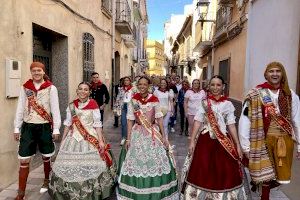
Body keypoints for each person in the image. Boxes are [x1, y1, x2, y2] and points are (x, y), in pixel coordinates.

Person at [239, 62, 300, 200]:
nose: (275, 74)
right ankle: (264, 196)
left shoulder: (290, 95)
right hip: (262, 140)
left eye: (278, 71)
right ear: (266, 74)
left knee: (281, 177)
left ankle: (259, 186)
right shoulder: (256, 94)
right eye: (271, 71)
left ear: (282, 73)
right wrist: (245, 146)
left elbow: (297, 120)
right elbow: (245, 120)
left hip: (284, 141)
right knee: (265, 177)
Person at [181, 75, 246, 200]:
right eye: (212, 85)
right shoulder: (204, 103)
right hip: (205, 141)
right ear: (208, 87)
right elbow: (197, 122)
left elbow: (231, 125)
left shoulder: (228, 104)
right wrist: (192, 141)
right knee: (203, 169)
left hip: (223, 142)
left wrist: (237, 145)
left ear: (223, 87)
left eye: (218, 85)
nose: (215, 87)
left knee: (224, 171)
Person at [49, 82, 116, 200]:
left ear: (89, 92)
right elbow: (68, 124)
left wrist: (100, 141)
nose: (83, 91)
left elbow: (97, 124)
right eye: (80, 89)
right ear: (77, 90)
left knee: (90, 165)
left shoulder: (94, 104)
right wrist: (63, 140)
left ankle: (90, 192)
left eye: (86, 89)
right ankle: (68, 192)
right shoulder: (71, 106)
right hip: (73, 138)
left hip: (89, 137)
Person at [117, 76, 178, 199]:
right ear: (137, 86)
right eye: (140, 84)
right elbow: (130, 120)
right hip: (137, 133)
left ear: (149, 86)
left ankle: (155, 189)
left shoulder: (154, 99)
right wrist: (128, 139)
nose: (142, 86)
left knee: (155, 161)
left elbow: (159, 118)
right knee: (137, 161)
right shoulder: (133, 101)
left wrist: (164, 137)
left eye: (145, 84)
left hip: (152, 133)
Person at [13, 62, 61, 200]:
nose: (36, 73)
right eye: (34, 71)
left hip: (44, 125)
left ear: (43, 71)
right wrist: (17, 127)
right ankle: (21, 192)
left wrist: (56, 128)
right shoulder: (25, 88)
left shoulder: (51, 88)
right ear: (31, 72)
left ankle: (46, 180)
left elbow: (55, 109)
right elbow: (20, 108)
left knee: (46, 156)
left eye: (39, 70)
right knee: (24, 159)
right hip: (28, 126)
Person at [114, 76, 133, 146]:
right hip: (123, 107)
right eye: (125, 80)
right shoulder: (121, 89)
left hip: (131, 107)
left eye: (127, 80)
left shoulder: (133, 89)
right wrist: (116, 108)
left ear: (130, 81)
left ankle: (130, 138)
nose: (126, 81)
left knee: (131, 124)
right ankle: (123, 138)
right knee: (123, 123)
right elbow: (118, 99)